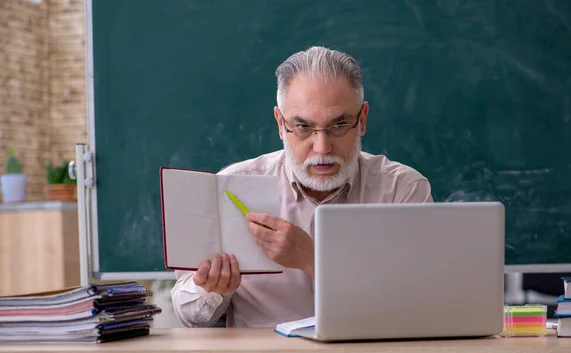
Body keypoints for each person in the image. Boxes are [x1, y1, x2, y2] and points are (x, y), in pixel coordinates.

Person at [171, 46, 433, 328]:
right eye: (303, 127)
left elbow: (418, 304)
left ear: (363, 120)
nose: (321, 148)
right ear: (280, 124)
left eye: (339, 125)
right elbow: (187, 315)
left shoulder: (402, 191)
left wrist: (311, 257)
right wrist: (212, 291)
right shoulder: (230, 187)